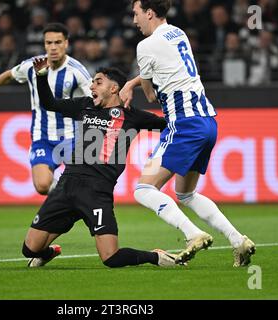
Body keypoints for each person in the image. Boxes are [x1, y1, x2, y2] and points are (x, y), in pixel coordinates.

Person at [119, 0, 255, 267]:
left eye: (136, 14)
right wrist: (134, 80)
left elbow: (149, 94)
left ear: (149, 13)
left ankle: (193, 234)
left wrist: (134, 84)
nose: (134, 21)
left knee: (144, 189)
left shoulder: (144, 46)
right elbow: (166, 70)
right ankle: (238, 240)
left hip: (183, 124)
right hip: (207, 121)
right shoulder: (177, 33)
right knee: (185, 194)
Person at [22, 59, 178, 268]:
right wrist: (41, 76)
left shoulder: (132, 116)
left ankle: (155, 256)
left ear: (114, 88)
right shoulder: (83, 105)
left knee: (111, 258)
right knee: (29, 249)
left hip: (97, 192)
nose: (91, 86)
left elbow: (171, 124)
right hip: (66, 186)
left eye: (98, 82)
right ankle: (50, 251)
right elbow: (50, 103)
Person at [0, 23, 92, 195]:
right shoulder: (33, 65)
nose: (53, 47)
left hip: (71, 137)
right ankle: (63, 194)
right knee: (42, 186)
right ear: (44, 44)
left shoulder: (77, 71)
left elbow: (95, 95)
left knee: (82, 183)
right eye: (49, 43)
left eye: (58, 42)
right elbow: (9, 75)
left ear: (66, 43)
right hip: (43, 136)